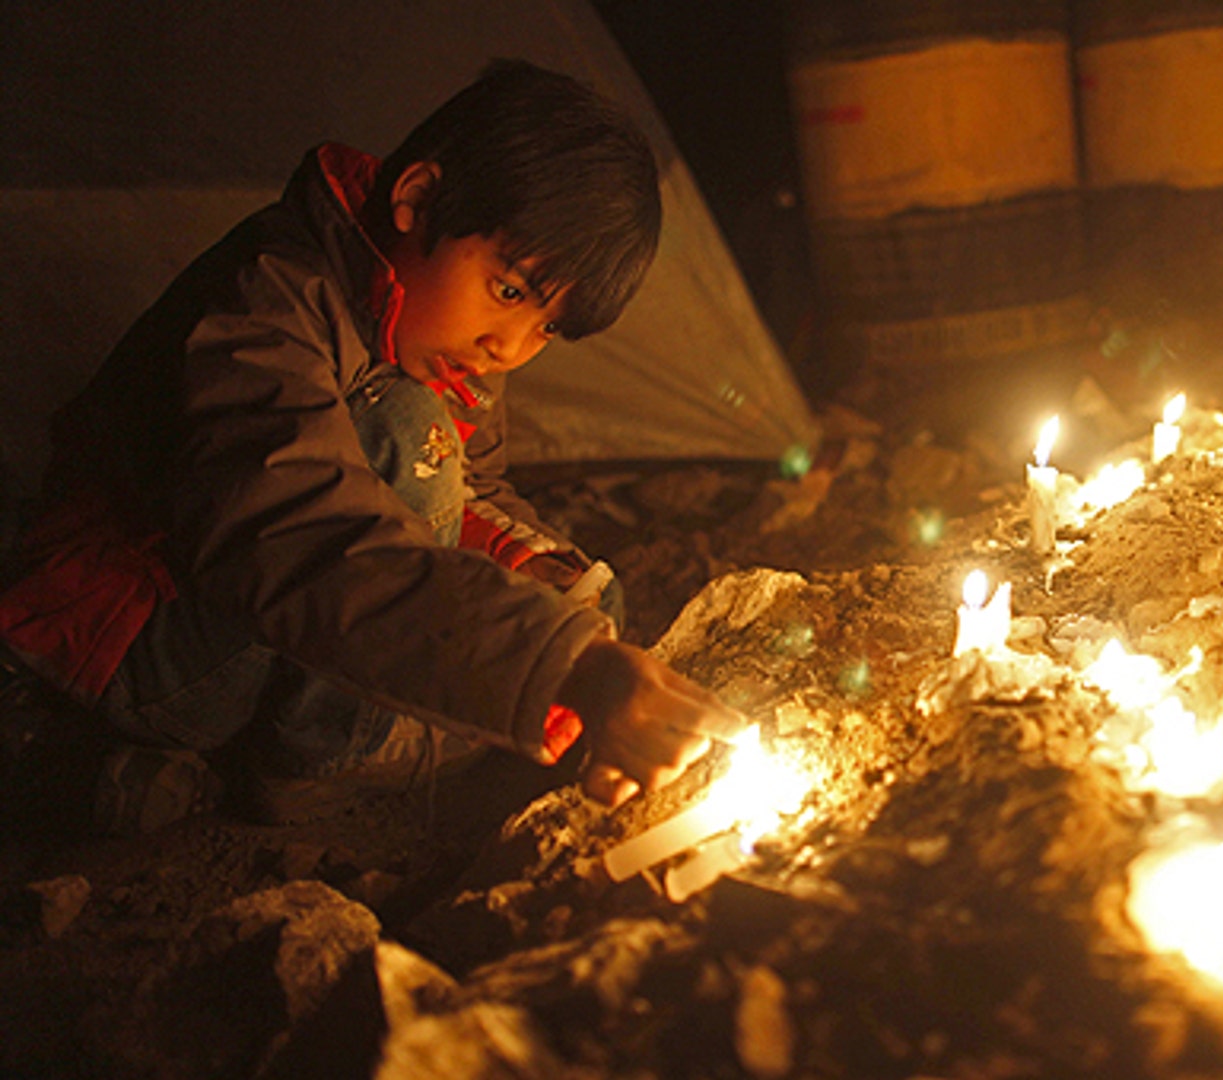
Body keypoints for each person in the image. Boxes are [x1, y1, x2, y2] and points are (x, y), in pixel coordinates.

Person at [0, 60, 742, 834]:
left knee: (584, 602)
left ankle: (303, 739)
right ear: (415, 199)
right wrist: (563, 666)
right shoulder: (267, 303)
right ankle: (317, 764)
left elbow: (472, 491)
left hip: (263, 626)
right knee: (409, 436)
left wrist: (548, 592)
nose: (511, 345)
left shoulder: (443, 335)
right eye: (512, 289)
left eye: (549, 326)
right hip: (132, 636)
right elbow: (297, 539)